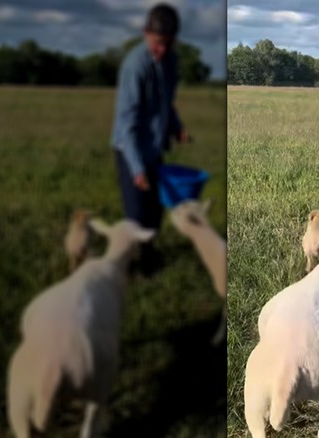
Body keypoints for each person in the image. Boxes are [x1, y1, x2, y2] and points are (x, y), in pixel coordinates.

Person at [111, 3, 189, 276]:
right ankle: (128, 266)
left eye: (167, 44)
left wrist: (176, 127)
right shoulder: (136, 67)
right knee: (137, 213)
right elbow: (127, 124)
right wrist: (137, 168)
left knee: (155, 209)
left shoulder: (171, 60)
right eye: (157, 44)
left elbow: (166, 103)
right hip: (129, 148)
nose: (162, 50)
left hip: (153, 147)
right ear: (145, 33)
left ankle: (147, 255)